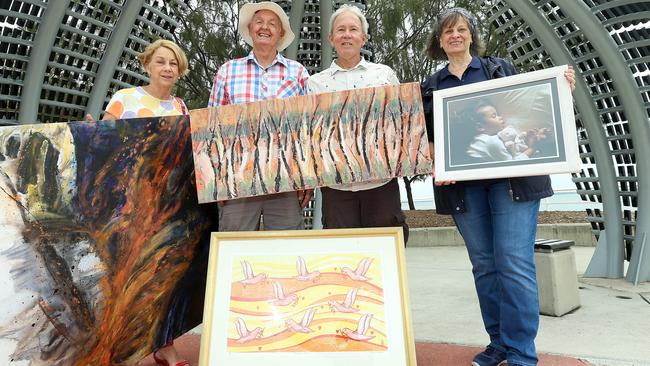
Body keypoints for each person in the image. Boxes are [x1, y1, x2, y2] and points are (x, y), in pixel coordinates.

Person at [420, 7, 576, 366]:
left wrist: (560, 87)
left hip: (511, 184)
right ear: (439, 41)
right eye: (447, 32)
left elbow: (536, 106)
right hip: (463, 189)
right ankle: (499, 344)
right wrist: (434, 160)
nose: (455, 35)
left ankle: (522, 353)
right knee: (485, 265)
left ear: (472, 35)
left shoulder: (498, 69)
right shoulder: (431, 86)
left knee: (514, 262)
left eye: (461, 29)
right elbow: (426, 139)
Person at [102, 39, 190, 366]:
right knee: (124, 277)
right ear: (147, 65)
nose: (167, 68)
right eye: (161, 62)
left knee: (162, 277)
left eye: (173, 64)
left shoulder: (180, 107)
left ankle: (165, 347)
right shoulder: (125, 100)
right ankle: (122, 351)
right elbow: (103, 142)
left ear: (179, 71)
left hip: (167, 206)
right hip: (126, 205)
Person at [305, 4, 409, 241]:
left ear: (364, 37)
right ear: (331, 38)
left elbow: (401, 124)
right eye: (340, 30)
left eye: (353, 29)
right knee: (342, 254)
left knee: (386, 251)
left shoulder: (384, 75)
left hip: (381, 183)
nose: (347, 34)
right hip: (336, 187)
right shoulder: (315, 85)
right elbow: (311, 137)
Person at [208, 1, 311, 232]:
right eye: (259, 22)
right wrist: (216, 181)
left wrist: (307, 179)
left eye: (272, 24)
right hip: (237, 179)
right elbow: (212, 130)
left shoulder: (298, 73)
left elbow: (307, 131)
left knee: (287, 252)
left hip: (285, 179)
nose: (265, 27)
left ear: (281, 33)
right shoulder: (227, 71)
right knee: (234, 249)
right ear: (250, 28)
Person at [461, 100, 549, 162]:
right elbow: (515, 166)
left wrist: (526, 140)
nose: (501, 117)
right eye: (494, 116)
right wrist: (533, 147)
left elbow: (514, 150)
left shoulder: (483, 139)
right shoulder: (491, 142)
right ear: (480, 127)